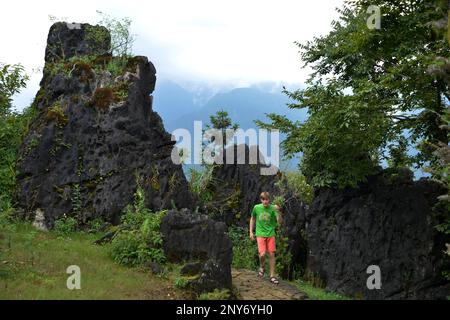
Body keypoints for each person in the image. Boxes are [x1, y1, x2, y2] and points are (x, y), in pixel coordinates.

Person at [249, 191, 282, 284]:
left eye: (267, 199)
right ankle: (262, 266)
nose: (265, 201)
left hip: (271, 234)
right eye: (263, 200)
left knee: (271, 254)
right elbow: (253, 218)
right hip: (260, 234)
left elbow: (279, 222)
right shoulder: (256, 207)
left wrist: (279, 211)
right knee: (262, 254)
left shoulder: (273, 208)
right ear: (261, 200)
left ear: (269, 200)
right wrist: (251, 232)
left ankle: (272, 276)